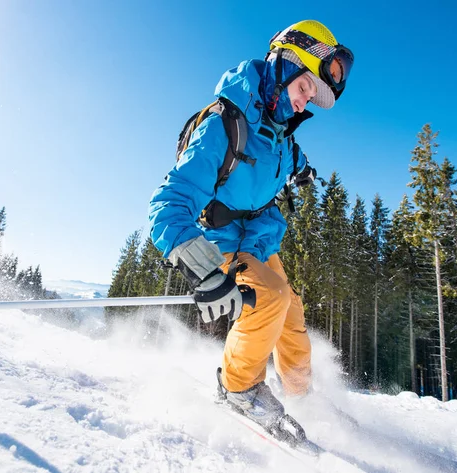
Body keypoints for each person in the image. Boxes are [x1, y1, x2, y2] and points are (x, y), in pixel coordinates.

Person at [148, 20, 353, 430]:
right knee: (271, 299)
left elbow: (288, 159)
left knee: (290, 311)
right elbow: (168, 205)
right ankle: (238, 387)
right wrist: (203, 270)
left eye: (312, 96)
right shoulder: (224, 125)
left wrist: (303, 172)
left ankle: (300, 394)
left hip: (257, 242)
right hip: (220, 241)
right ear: (284, 66)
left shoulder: (281, 137)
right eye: (303, 88)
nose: (303, 103)